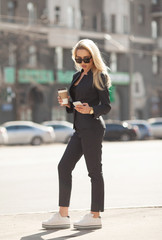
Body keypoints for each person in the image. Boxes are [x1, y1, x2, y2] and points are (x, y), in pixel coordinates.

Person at [42, 39, 111, 230]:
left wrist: (90, 110)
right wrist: (68, 105)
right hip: (79, 128)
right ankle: (63, 215)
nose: (82, 62)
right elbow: (76, 104)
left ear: (93, 57)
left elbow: (106, 106)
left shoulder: (100, 76)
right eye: (78, 58)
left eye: (86, 58)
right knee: (63, 167)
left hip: (93, 128)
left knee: (94, 172)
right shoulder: (77, 75)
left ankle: (95, 215)